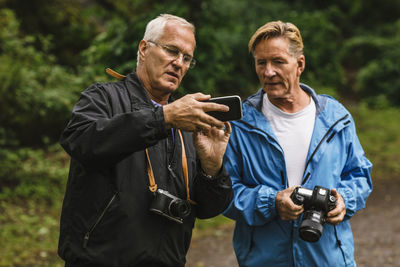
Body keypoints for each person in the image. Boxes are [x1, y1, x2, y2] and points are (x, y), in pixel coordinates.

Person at [58, 14, 233, 267]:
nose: (179, 63)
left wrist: (212, 167)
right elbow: (79, 140)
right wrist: (163, 119)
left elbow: (208, 209)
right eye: (172, 50)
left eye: (187, 58)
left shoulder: (187, 122)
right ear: (144, 48)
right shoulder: (104, 97)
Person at [223, 21, 372, 267]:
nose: (268, 72)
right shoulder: (240, 125)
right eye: (261, 63)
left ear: (299, 64)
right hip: (265, 260)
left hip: (327, 259)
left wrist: (345, 199)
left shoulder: (336, 118)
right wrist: (271, 203)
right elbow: (226, 193)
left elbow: (360, 175)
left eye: (278, 62)